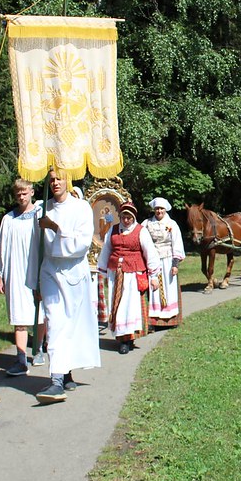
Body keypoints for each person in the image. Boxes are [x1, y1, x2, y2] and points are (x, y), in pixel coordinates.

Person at [35, 169, 101, 403]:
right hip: (50, 271)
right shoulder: (41, 207)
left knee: (71, 324)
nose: (55, 183)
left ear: (67, 180)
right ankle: (55, 381)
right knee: (55, 322)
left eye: (59, 179)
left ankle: (66, 371)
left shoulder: (80, 207)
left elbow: (82, 244)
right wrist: (34, 280)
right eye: (51, 179)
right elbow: (36, 247)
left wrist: (55, 228)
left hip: (73, 271)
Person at [0, 179, 46, 377]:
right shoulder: (9, 219)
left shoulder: (41, 214)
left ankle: (38, 349)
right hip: (15, 271)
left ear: (32, 192)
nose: (22, 197)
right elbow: (2, 247)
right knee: (19, 314)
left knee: (39, 312)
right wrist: (1, 275)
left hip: (35, 269)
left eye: (25, 193)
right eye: (18, 194)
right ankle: (21, 359)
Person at [98, 202, 162, 354]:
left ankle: (128, 339)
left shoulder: (141, 231)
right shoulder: (113, 231)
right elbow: (106, 250)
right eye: (123, 217)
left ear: (133, 217)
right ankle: (121, 337)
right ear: (120, 217)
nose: (126, 220)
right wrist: (104, 273)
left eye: (129, 217)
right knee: (118, 306)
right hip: (116, 274)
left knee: (130, 306)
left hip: (133, 274)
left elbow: (150, 253)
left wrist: (154, 276)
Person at [143, 197, 184, 329]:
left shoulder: (172, 224)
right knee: (153, 289)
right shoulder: (147, 224)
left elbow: (176, 243)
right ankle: (153, 321)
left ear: (165, 209)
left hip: (167, 260)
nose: (159, 211)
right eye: (156, 209)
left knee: (168, 288)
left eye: (161, 209)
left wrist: (175, 264)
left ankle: (171, 319)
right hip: (152, 260)